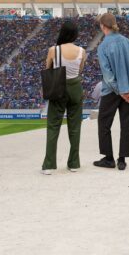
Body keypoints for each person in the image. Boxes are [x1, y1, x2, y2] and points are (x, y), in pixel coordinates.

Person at [94, 12, 129, 171]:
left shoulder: (103, 46)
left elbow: (107, 75)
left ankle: (108, 158)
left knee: (104, 124)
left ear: (102, 26)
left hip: (111, 91)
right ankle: (122, 159)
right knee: (125, 125)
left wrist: (120, 91)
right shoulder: (128, 42)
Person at [42, 21, 85, 173]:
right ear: (75, 34)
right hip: (75, 88)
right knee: (75, 127)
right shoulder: (81, 51)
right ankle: (74, 164)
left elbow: (48, 68)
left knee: (53, 126)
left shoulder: (53, 50)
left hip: (58, 88)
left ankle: (49, 165)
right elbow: (80, 70)